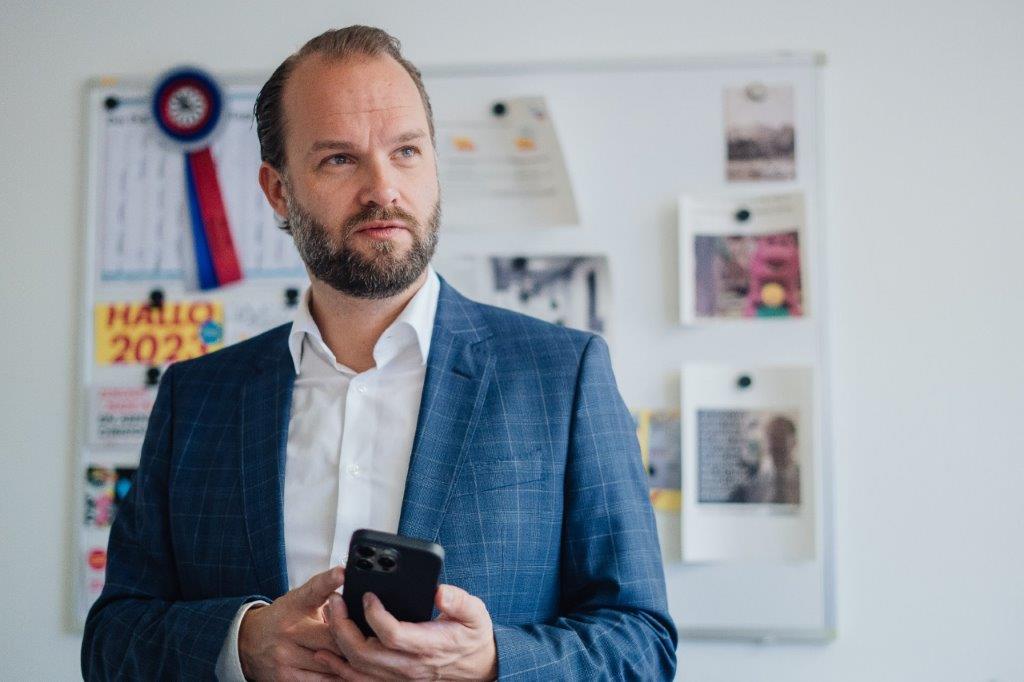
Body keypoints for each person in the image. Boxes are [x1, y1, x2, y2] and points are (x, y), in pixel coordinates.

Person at [82, 25, 676, 680]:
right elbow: (113, 640)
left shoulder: (562, 376)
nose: (383, 188)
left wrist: (490, 664)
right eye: (340, 159)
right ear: (278, 191)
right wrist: (242, 643)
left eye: (406, 152)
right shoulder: (196, 398)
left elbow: (641, 644)